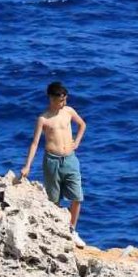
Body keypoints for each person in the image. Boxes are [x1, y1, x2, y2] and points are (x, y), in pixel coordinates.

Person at [18, 81, 86, 240]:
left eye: (65, 99)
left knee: (77, 197)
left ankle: (72, 229)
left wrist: (77, 142)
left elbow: (82, 124)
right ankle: (57, 231)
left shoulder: (69, 111)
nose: (64, 103)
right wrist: (27, 166)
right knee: (54, 200)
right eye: (61, 100)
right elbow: (35, 143)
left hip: (70, 159)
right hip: (52, 161)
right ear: (51, 98)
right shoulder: (43, 119)